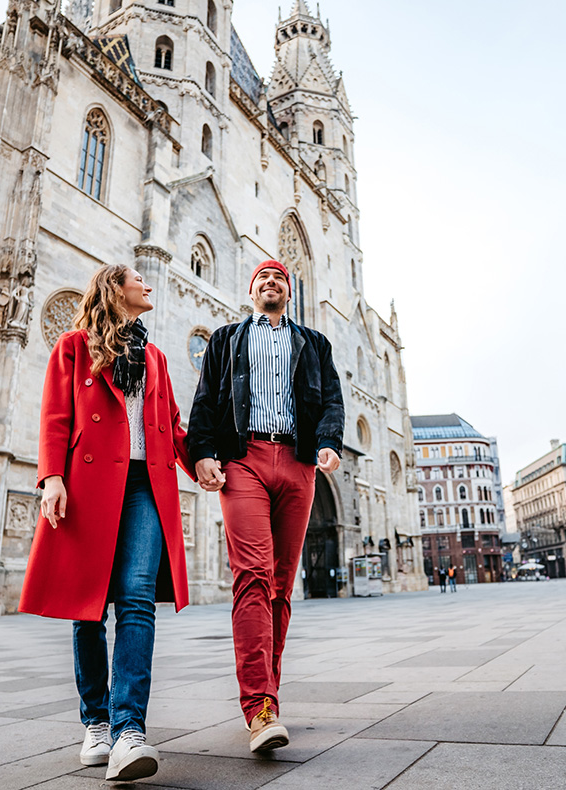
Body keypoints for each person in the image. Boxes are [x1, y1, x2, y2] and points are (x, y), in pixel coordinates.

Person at [19, 264, 194, 782]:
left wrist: (202, 462)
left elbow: (172, 425)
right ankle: (95, 722)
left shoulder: (156, 358)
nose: (148, 285)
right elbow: (55, 415)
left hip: (145, 485)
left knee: (137, 597)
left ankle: (128, 730)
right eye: (140, 279)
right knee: (87, 605)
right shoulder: (75, 346)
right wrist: (52, 476)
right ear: (116, 289)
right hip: (89, 484)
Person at [188, 260, 344, 754]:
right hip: (245, 459)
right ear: (251, 289)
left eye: (280, 279)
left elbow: (332, 402)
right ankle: (259, 706)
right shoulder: (227, 339)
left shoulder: (314, 344)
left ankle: (268, 695)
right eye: (263, 279)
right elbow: (206, 399)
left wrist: (330, 441)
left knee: (281, 582)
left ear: (289, 292)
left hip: (297, 464)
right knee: (252, 575)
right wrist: (202, 453)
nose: (271, 284)